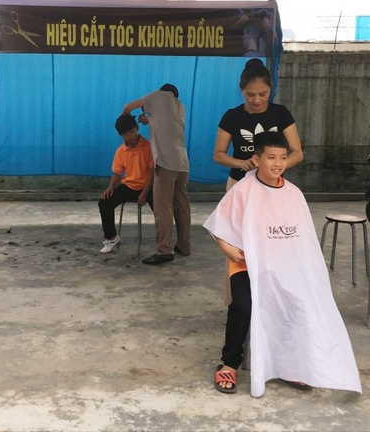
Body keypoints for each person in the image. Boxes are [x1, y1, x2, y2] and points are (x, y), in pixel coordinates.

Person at [203, 132, 362, 397]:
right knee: (243, 305)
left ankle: (289, 365)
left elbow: (303, 240)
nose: (277, 164)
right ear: (257, 159)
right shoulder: (243, 189)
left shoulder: (294, 194)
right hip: (247, 266)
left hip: (285, 266)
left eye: (283, 158)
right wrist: (228, 249)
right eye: (271, 158)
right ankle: (230, 363)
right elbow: (219, 224)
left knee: (299, 301)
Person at [123, 84, 191, 265]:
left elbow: (128, 107)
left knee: (163, 208)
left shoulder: (159, 96)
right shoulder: (180, 107)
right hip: (182, 163)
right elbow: (163, 125)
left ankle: (163, 251)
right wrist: (148, 121)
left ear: (163, 92)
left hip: (166, 163)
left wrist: (125, 117)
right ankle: (184, 245)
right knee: (181, 205)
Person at [213, 58, 303, 193]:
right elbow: (218, 154)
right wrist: (241, 163)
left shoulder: (280, 113)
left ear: (271, 87)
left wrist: (276, 166)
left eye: (263, 94)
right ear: (242, 90)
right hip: (239, 183)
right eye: (250, 95)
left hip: (273, 184)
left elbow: (297, 153)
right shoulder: (232, 116)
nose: (257, 100)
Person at [98, 114, 154, 254]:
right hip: (129, 186)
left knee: (162, 209)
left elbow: (154, 172)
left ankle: (163, 243)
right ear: (120, 135)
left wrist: (144, 193)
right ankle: (112, 237)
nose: (130, 137)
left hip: (149, 186)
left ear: (137, 128)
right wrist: (111, 187)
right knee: (104, 202)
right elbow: (117, 172)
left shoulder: (149, 147)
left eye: (131, 132)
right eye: (125, 135)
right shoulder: (120, 151)